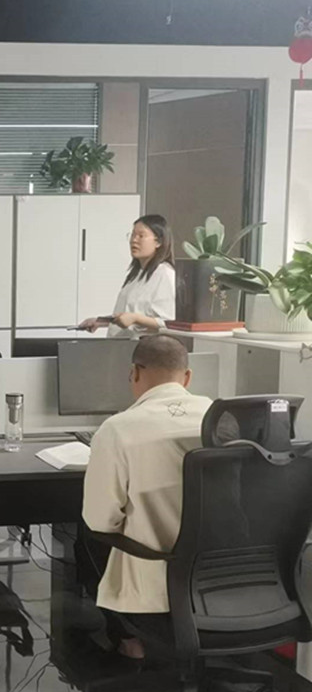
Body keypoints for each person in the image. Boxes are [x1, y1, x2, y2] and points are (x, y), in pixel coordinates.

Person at [81, 335, 212, 658]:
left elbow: (100, 521)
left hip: (158, 590)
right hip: (225, 580)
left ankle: (129, 640)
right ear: (187, 377)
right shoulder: (218, 416)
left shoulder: (118, 429)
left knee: (85, 539)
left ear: (134, 373)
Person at [78, 215, 176, 338]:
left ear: (158, 242)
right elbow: (129, 315)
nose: (134, 240)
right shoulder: (136, 273)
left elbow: (168, 322)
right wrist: (100, 321)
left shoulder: (164, 273)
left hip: (144, 346)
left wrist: (135, 318)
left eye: (141, 236)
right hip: (121, 344)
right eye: (132, 235)